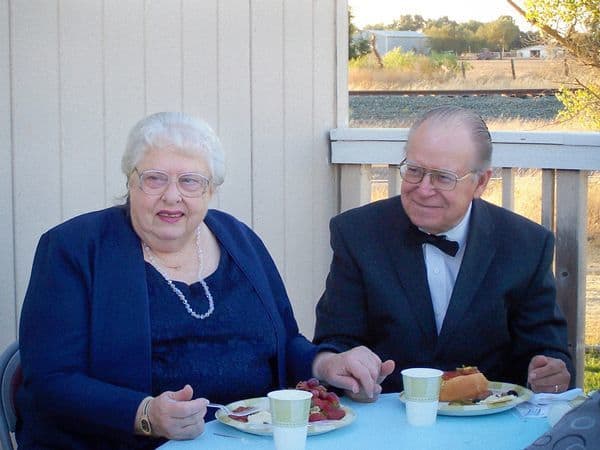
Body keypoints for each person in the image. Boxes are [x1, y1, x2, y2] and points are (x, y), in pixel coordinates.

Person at [17, 112, 394, 449]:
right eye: (154, 179)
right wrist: (145, 413)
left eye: (190, 181)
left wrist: (325, 364)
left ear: (211, 189)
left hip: (252, 437)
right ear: (130, 182)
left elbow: (282, 344)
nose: (171, 195)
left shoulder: (239, 240)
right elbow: (51, 379)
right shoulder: (74, 248)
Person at [314, 106, 574, 394]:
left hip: (489, 425)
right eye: (414, 170)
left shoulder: (525, 245)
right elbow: (335, 341)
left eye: (442, 177)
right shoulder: (357, 233)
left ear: (481, 182)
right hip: (385, 419)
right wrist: (338, 363)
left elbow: (547, 352)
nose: (423, 189)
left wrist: (550, 373)